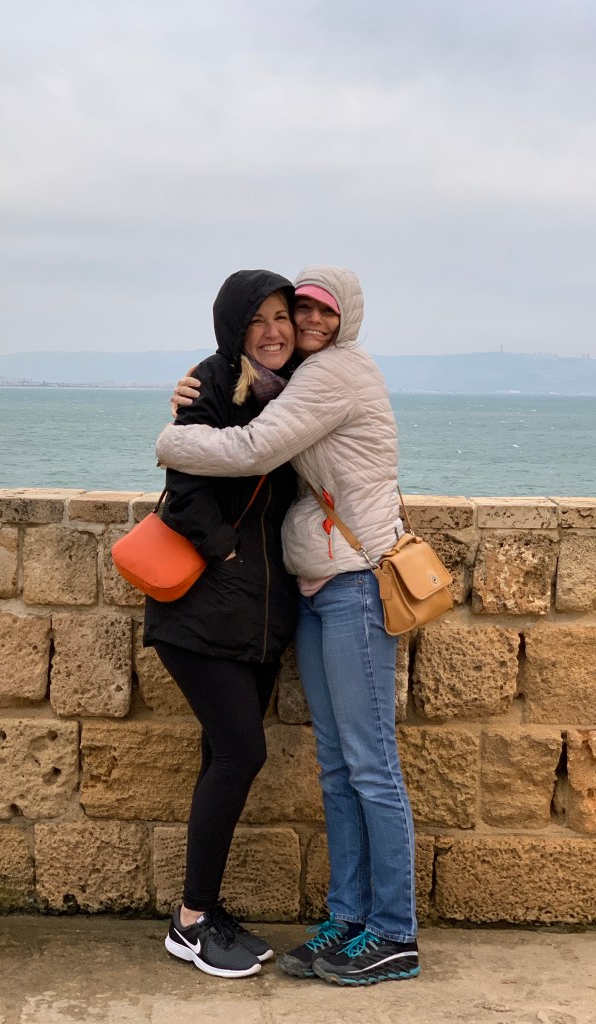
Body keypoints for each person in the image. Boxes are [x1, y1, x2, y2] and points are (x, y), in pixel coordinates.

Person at [157, 265, 420, 987]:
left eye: (317, 312)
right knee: (338, 765)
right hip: (316, 586)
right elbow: (246, 414)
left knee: (369, 764)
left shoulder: (334, 372)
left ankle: (393, 931)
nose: (303, 323)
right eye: (291, 310)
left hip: (357, 581)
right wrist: (196, 390)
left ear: (348, 317)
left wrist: (171, 436)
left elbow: (253, 450)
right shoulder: (283, 380)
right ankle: (349, 918)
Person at [146, 269, 299, 979]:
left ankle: (202, 909)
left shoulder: (299, 393)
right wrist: (226, 552)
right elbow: (182, 491)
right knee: (241, 753)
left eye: (282, 317)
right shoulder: (209, 383)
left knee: (222, 756)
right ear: (234, 327)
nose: (272, 331)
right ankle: (190, 921)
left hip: (260, 617)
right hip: (201, 610)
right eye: (257, 319)